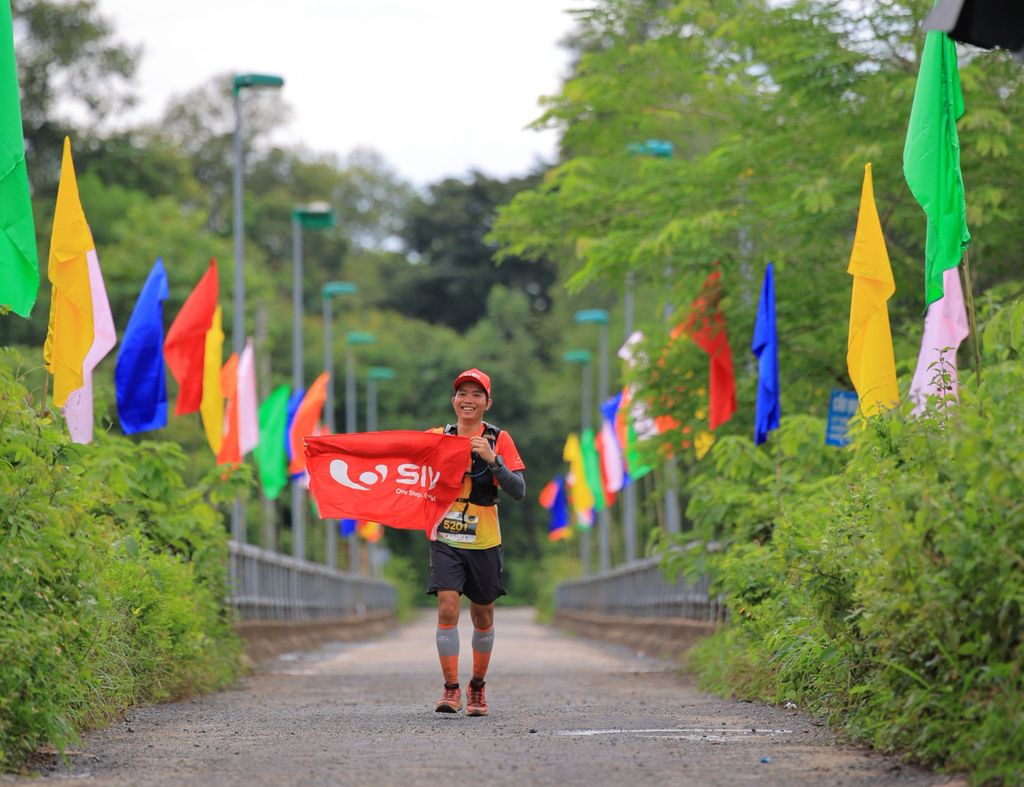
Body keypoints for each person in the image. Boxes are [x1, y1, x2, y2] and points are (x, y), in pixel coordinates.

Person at [427, 368, 525, 716]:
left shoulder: (499, 439)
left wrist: (493, 461)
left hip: (484, 538)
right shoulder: (436, 437)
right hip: (445, 536)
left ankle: (477, 688)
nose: (468, 400)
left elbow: (518, 490)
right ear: (453, 401)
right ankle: (451, 688)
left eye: (476, 395)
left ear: (487, 403)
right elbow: (399, 463)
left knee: (483, 617)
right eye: (462, 394)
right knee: (447, 607)